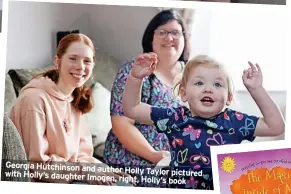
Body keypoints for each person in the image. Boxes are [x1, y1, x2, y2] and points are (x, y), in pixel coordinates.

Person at [122, 54, 285, 190]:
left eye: (217, 84)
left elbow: (276, 126)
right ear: (184, 93)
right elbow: (133, 109)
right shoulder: (174, 118)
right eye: (199, 83)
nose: (208, 89)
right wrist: (136, 78)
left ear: (228, 98)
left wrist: (256, 89)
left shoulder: (236, 121)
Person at [10, 33, 130, 185]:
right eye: (73, 58)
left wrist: (99, 168)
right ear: (57, 62)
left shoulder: (75, 96)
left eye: (87, 61)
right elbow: (36, 167)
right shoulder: (33, 100)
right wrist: (83, 171)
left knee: (125, 183)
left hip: (73, 174)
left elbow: (82, 153)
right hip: (47, 182)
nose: (80, 67)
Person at [103, 9, 189, 181]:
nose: (169, 38)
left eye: (175, 33)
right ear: (150, 38)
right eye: (162, 32)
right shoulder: (133, 70)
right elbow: (122, 124)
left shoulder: (193, 73)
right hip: (137, 157)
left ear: (185, 39)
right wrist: (154, 155)